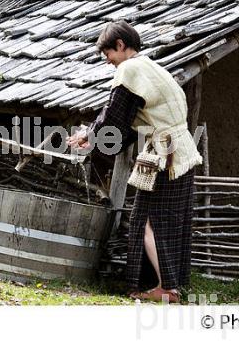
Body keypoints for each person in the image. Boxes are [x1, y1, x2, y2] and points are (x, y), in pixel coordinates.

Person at [67, 21, 202, 303]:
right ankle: (168, 285)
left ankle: (166, 288)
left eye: (108, 55)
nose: (109, 63)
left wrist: (89, 137)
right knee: (163, 220)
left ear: (119, 45)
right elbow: (128, 121)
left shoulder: (130, 70)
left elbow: (115, 116)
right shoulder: (151, 67)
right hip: (179, 151)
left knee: (149, 222)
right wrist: (92, 137)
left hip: (168, 156)